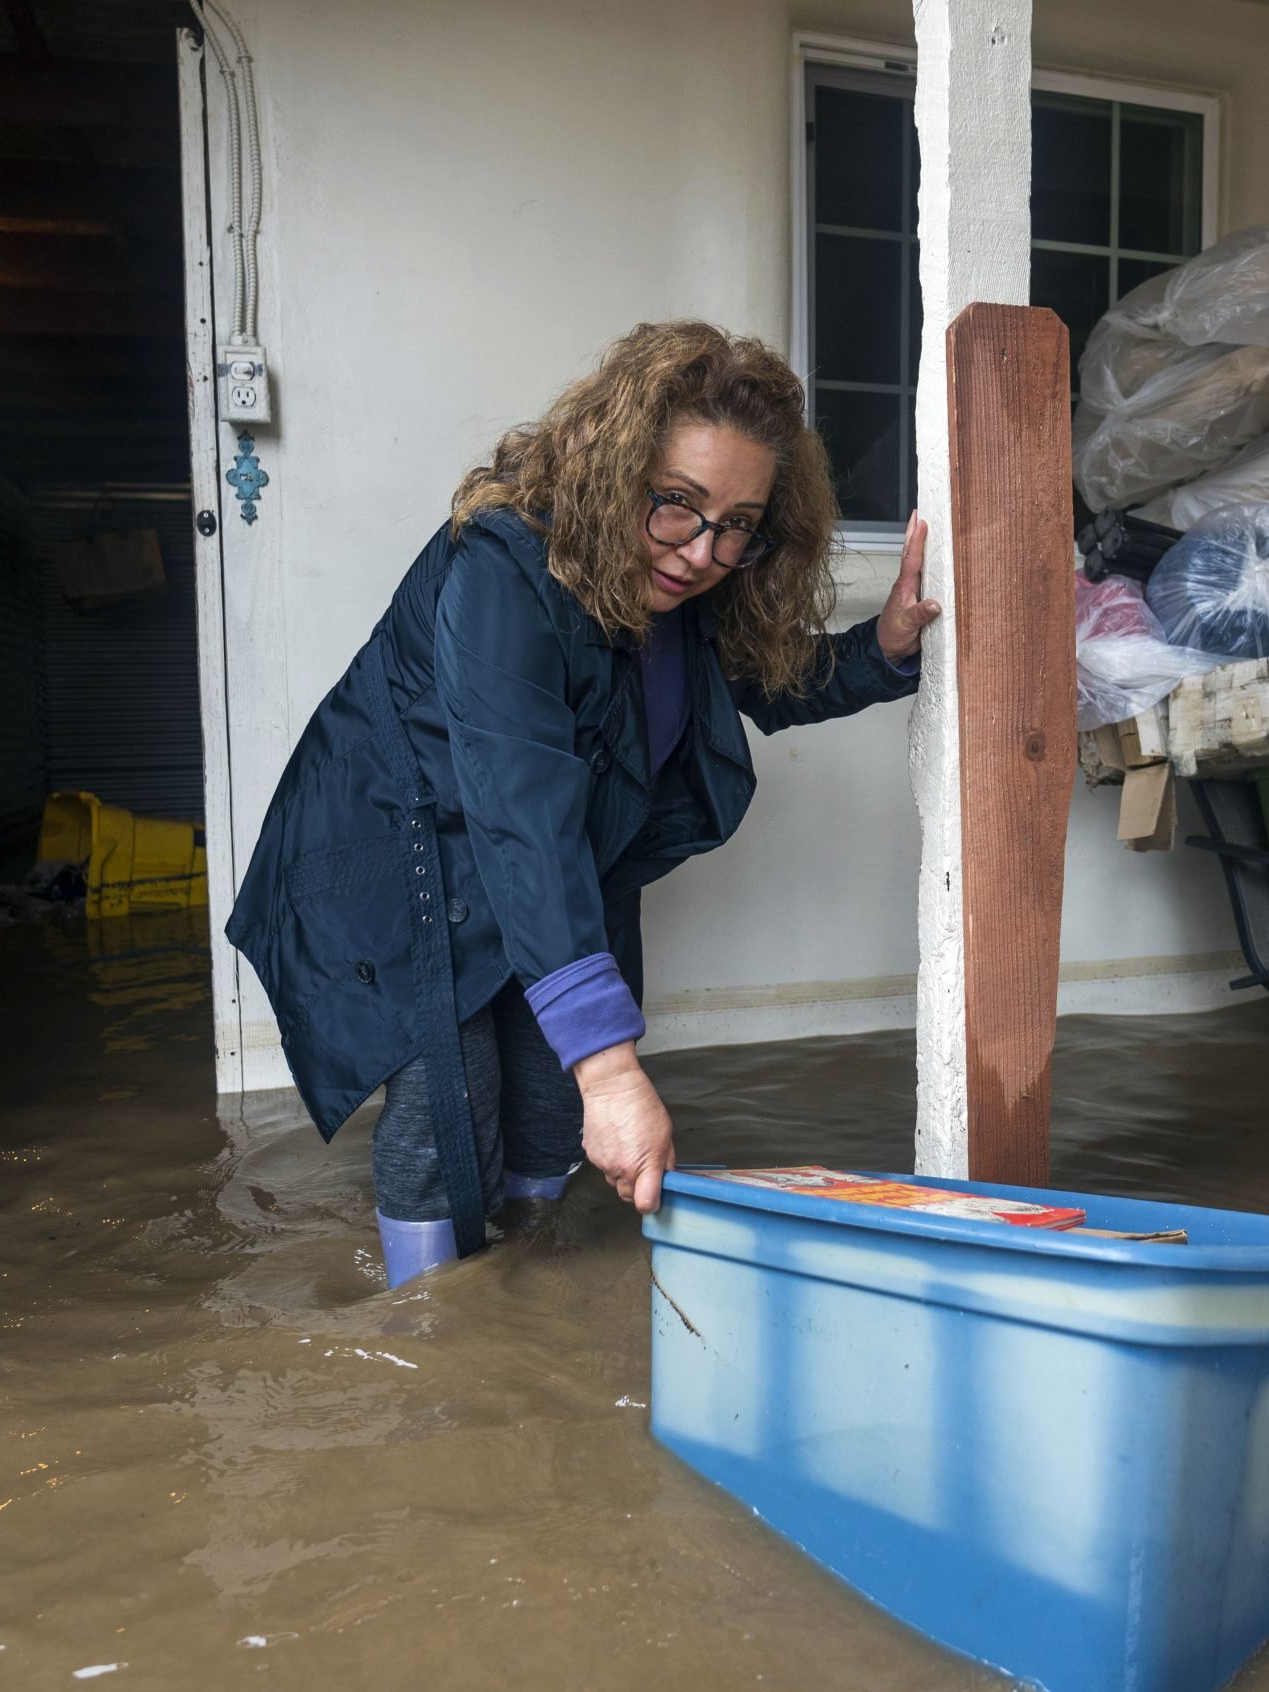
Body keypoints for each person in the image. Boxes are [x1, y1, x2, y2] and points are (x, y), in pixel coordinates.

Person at [226, 322, 939, 1287]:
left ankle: (524, 1295)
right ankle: (433, 1329)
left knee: (552, 1110)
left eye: (740, 525)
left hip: (538, 866)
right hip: (400, 857)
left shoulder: (687, 587)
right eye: (677, 505)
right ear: (616, 467)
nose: (702, 551)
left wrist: (888, 644)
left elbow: (774, 681)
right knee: (454, 1107)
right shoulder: (500, 566)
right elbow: (522, 812)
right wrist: (612, 1072)